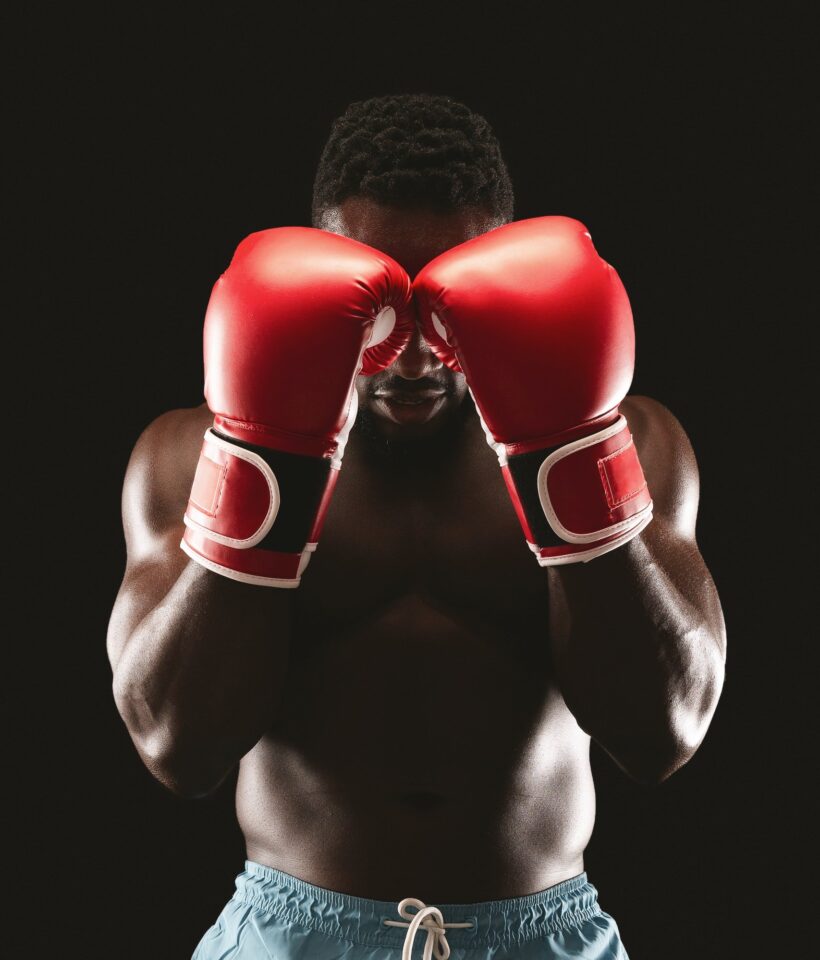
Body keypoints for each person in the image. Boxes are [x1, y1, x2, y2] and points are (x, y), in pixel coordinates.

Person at [107, 93, 726, 959]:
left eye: (446, 305)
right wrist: (266, 469)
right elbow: (176, 747)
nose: (415, 352)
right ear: (320, 267)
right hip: (288, 937)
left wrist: (570, 456)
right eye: (382, 303)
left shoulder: (634, 442)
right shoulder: (190, 454)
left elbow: (667, 734)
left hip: (541, 936)